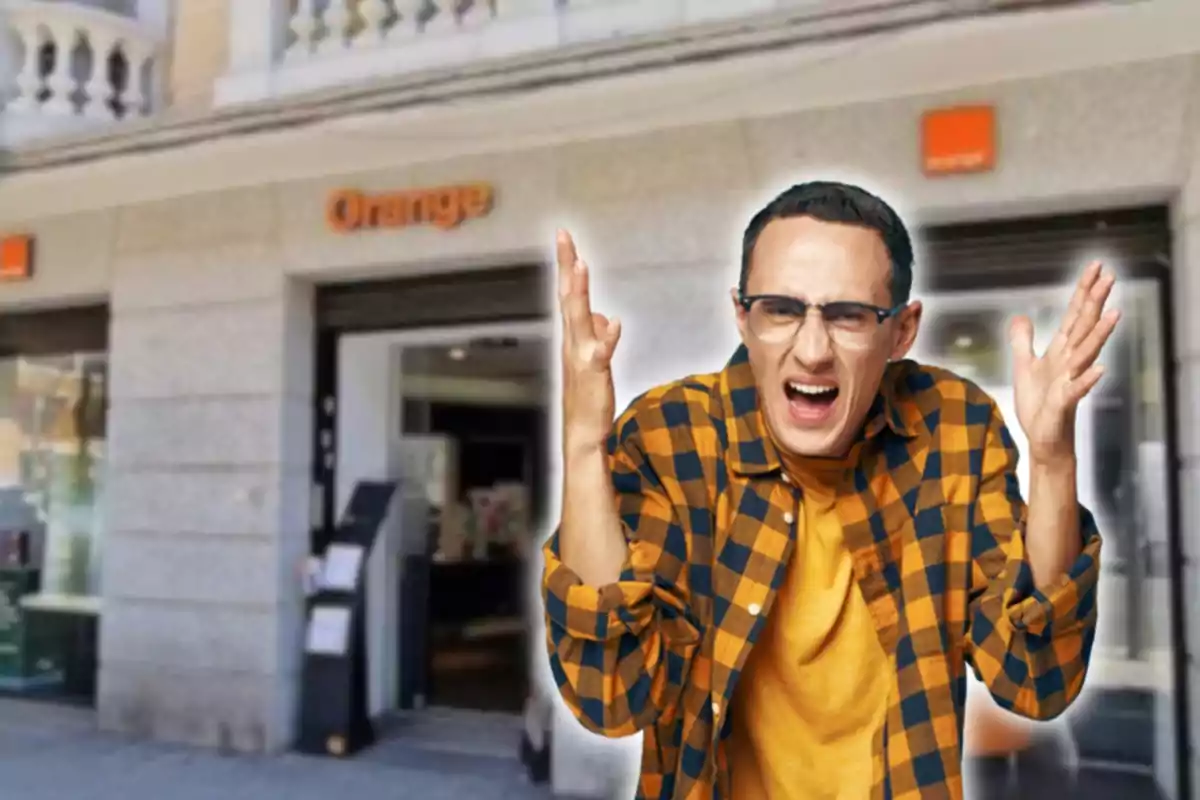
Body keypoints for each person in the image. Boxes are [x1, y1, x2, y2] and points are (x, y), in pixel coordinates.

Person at [540, 180, 1114, 798]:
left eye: (848, 315)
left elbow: (1035, 677)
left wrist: (1053, 459)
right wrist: (581, 445)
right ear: (742, 315)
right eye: (781, 309)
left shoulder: (954, 427)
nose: (812, 350)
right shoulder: (671, 435)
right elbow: (612, 698)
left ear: (902, 331)